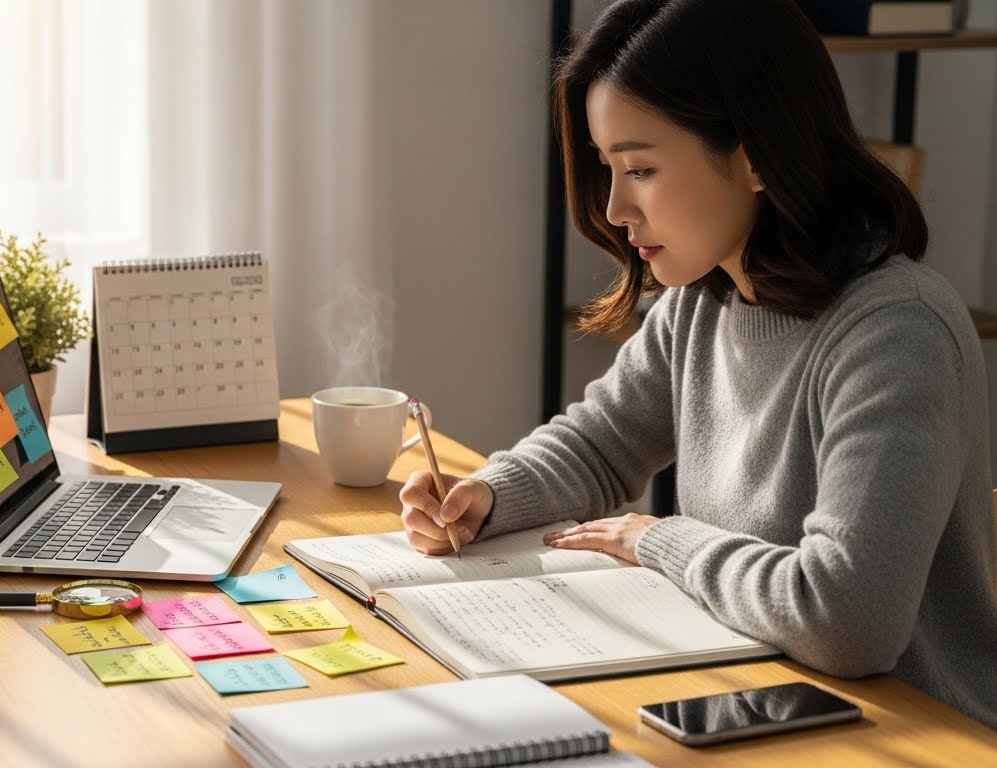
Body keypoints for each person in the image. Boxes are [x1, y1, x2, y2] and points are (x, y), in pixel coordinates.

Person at [399, 0, 997, 730]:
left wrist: (656, 540)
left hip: (909, 729)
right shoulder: (704, 300)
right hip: (754, 698)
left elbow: (847, 616)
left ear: (752, 156)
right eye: (606, 168)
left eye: (641, 168)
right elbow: (598, 446)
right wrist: (485, 497)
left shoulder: (895, 331)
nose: (615, 207)